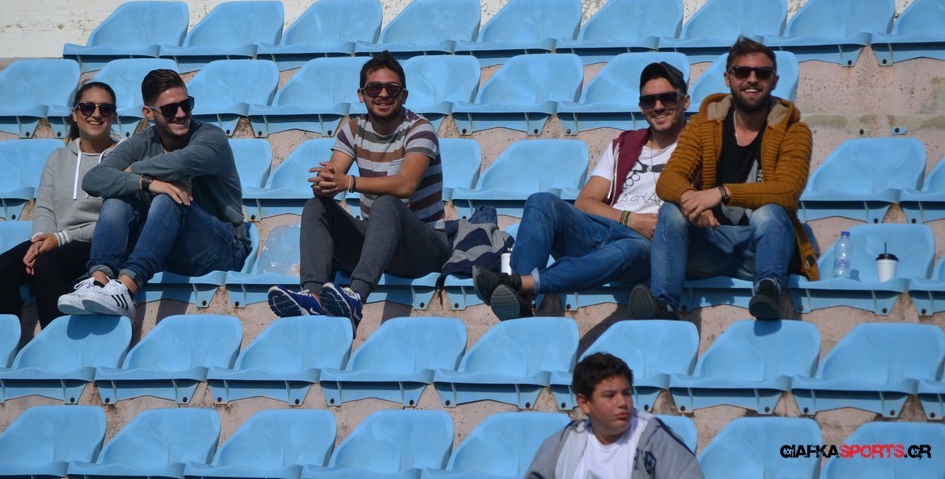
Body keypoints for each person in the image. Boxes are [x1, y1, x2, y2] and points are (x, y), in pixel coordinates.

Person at [472, 61, 690, 321]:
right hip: (608, 227)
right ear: (641, 107)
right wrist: (630, 219)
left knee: (628, 249)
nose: (658, 106)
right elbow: (585, 203)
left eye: (667, 98)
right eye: (649, 100)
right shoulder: (625, 145)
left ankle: (521, 283)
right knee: (541, 202)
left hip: (649, 244)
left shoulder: (700, 146)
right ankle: (520, 302)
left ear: (685, 101)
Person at [629, 36, 818, 322]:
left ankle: (769, 290)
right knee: (671, 210)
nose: (752, 79)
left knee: (770, 212)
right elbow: (668, 179)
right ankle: (664, 307)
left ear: (775, 80)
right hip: (712, 244)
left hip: (761, 249)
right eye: (742, 72)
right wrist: (692, 201)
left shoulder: (794, 131)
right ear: (728, 78)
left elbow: (787, 190)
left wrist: (721, 193)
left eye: (762, 73)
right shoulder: (705, 124)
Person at [267, 51, 449, 333]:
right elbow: (334, 177)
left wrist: (348, 182)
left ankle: (356, 297)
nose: (383, 94)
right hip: (377, 243)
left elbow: (406, 185)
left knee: (386, 204)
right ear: (361, 95)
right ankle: (312, 296)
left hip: (423, 245)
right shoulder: (352, 130)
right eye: (374, 88)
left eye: (392, 89)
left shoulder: (419, 129)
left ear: (404, 95)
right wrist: (325, 184)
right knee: (316, 207)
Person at [57, 68, 250, 320]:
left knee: (170, 196)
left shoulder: (211, 138)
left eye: (186, 105)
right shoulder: (142, 142)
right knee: (118, 197)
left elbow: (180, 163)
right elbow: (93, 179)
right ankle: (99, 279)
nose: (181, 114)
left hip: (222, 248)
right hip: (166, 248)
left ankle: (127, 287)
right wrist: (146, 183)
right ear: (148, 113)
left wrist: (135, 171)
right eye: (170, 109)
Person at [0, 81, 119, 328]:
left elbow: (115, 221)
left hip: (97, 243)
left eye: (105, 108)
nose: (96, 114)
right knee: (4, 266)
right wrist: (39, 240)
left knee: (47, 264)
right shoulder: (57, 158)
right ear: (75, 113)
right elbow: (45, 208)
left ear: (113, 115)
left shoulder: (123, 158)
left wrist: (58, 240)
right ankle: (0, 344)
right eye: (88, 107)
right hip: (55, 240)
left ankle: (54, 342)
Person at [526, 353, 702, 479]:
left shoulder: (654, 439)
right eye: (610, 396)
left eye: (626, 393)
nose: (622, 402)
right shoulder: (564, 443)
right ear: (584, 403)